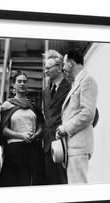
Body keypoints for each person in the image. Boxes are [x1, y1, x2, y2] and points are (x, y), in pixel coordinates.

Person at [56, 49, 98, 184]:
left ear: (71, 63)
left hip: (79, 146)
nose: (63, 68)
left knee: (78, 188)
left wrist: (65, 128)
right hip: (73, 146)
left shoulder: (87, 81)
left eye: (64, 64)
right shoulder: (76, 82)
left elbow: (88, 113)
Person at [0, 71, 44, 186]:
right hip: (15, 149)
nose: (22, 84)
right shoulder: (7, 105)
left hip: (33, 147)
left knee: (33, 181)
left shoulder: (33, 105)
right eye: (19, 81)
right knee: (16, 182)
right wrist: (21, 135)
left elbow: (40, 126)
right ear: (14, 84)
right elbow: (3, 130)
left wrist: (36, 134)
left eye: (25, 81)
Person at [42, 50, 71, 185]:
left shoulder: (72, 87)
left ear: (59, 68)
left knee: (67, 183)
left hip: (66, 143)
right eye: (45, 67)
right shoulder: (46, 91)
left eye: (48, 67)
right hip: (49, 146)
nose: (45, 70)